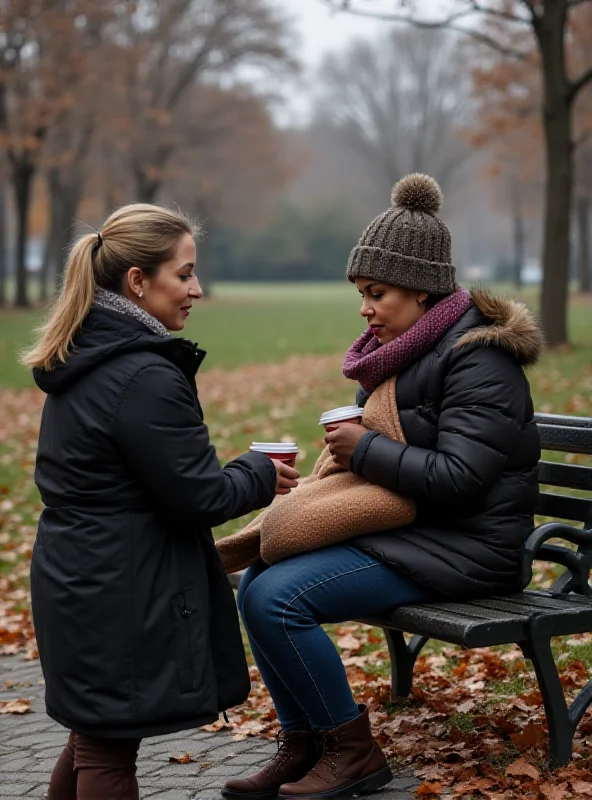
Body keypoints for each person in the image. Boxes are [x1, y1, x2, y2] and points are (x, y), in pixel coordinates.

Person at [222, 173, 543, 800]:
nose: (365, 309)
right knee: (258, 581)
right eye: (361, 294)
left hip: (470, 547)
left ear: (422, 292)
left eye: (377, 293)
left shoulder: (479, 358)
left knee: (277, 599)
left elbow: (461, 477)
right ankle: (304, 743)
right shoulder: (408, 352)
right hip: (417, 533)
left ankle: (353, 755)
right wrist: (358, 454)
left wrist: (364, 449)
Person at [22, 203, 299, 800]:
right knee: (104, 747)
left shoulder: (88, 357)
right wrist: (258, 470)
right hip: (118, 587)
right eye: (185, 273)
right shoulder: (141, 374)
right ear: (138, 282)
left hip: (83, 574)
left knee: (94, 737)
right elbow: (199, 495)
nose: (196, 288)